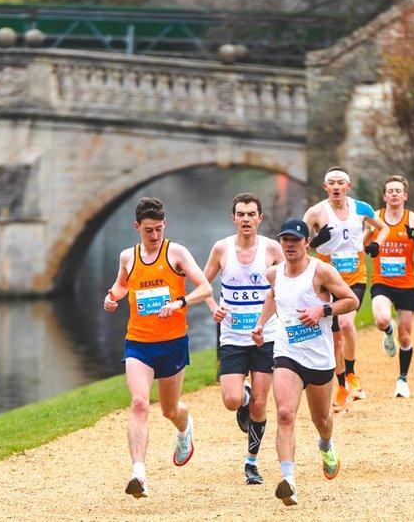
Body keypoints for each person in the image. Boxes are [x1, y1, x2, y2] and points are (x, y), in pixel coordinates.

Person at [103, 197, 213, 499]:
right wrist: (112, 296)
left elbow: (205, 288)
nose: (154, 236)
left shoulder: (175, 252)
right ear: (137, 227)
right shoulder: (128, 256)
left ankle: (184, 426)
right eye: (149, 230)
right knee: (139, 403)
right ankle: (139, 473)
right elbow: (123, 285)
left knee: (168, 409)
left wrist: (179, 302)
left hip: (173, 343)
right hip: (138, 343)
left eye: (159, 229)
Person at [250, 218, 359, 506]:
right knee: (285, 413)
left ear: (306, 243)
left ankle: (326, 445)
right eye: (285, 240)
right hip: (288, 353)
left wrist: (322, 309)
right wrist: (262, 323)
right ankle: (288, 480)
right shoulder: (274, 274)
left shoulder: (321, 271)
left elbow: (351, 301)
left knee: (321, 420)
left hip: (320, 359)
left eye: (295, 240)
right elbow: (274, 296)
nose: (289, 245)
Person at [202, 193, 285, 485]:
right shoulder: (221, 249)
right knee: (231, 399)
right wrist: (214, 308)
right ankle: (244, 396)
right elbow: (202, 284)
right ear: (234, 218)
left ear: (260, 218)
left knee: (261, 406)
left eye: (252, 214)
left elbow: (290, 281)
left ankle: (251, 463)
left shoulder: (273, 249)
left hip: (266, 336)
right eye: (241, 214)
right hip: (233, 337)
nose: (246, 219)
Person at [303, 166, 388, 412]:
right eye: (332, 183)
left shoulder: (361, 208)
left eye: (341, 183)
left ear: (348, 187)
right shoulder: (316, 212)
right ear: (325, 187)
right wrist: (314, 242)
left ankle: (351, 374)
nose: (337, 187)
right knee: (335, 338)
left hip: (355, 278)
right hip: (326, 280)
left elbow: (383, 228)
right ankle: (341, 386)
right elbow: (297, 245)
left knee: (347, 324)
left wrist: (375, 246)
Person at [367, 175, 414, 398]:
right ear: (384, 196)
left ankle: (402, 380)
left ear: (405, 196)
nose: (394, 194)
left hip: (407, 285)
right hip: (382, 283)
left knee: (405, 337)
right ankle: (388, 332)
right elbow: (360, 244)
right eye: (391, 191)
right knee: (382, 319)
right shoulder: (375, 218)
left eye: (398, 191)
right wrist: (370, 242)